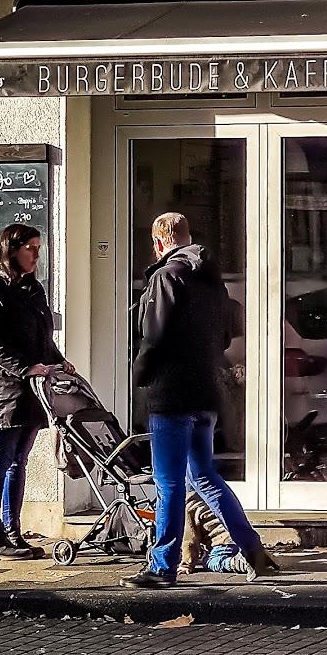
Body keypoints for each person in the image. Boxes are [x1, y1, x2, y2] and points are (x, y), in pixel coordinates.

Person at [122, 212, 279, 588]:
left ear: (159, 243)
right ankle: (253, 550)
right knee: (205, 476)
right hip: (206, 393)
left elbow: (154, 337)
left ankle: (162, 566)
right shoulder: (212, 281)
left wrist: (140, 375)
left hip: (172, 394)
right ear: (188, 237)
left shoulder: (166, 277)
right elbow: (226, 336)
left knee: (169, 483)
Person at [0, 223, 73, 560]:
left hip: (31, 390)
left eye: (38, 248)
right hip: (4, 389)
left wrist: (58, 361)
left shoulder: (33, 288)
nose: (35, 255)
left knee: (19, 462)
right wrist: (24, 367)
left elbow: (42, 337)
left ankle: (13, 533)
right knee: (0, 460)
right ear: (11, 249)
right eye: (30, 248)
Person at [180, 490, 249, 576]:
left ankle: (237, 563)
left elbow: (190, 540)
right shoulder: (206, 498)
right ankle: (255, 556)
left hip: (224, 542)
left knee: (209, 561)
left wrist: (187, 564)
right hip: (243, 538)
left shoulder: (187, 508)